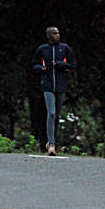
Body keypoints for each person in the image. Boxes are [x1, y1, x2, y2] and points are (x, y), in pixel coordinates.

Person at [32, 25, 76, 155]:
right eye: (55, 33)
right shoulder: (42, 49)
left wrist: (62, 64)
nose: (58, 35)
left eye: (58, 33)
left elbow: (73, 64)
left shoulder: (64, 48)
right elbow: (34, 64)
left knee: (57, 116)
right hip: (47, 85)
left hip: (61, 85)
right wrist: (41, 68)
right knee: (51, 113)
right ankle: (51, 144)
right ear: (49, 36)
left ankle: (52, 140)